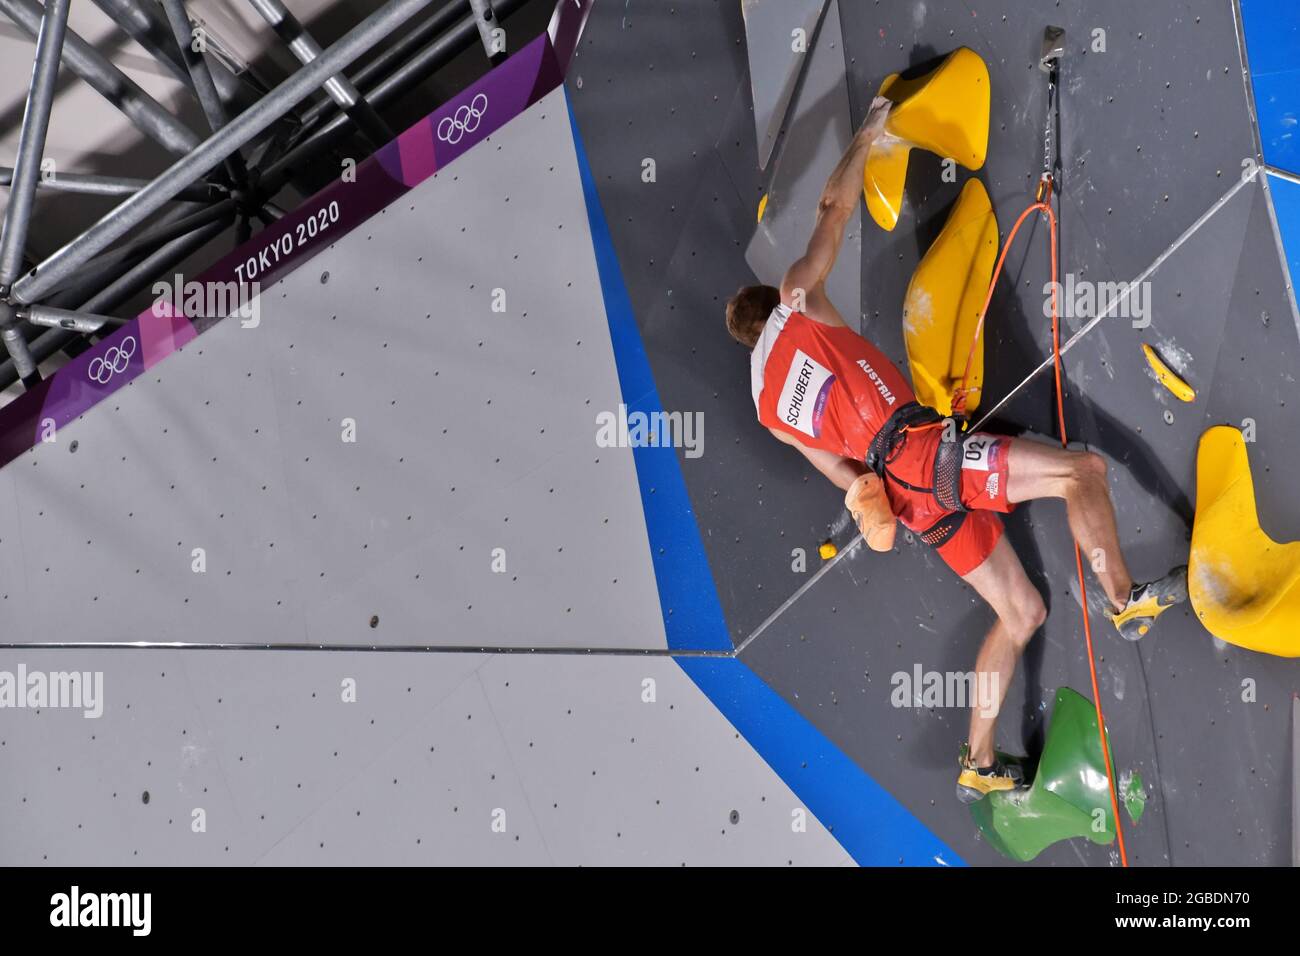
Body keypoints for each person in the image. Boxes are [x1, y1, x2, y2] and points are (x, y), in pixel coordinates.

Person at [728, 97, 1186, 803]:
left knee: (1022, 612)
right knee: (1081, 473)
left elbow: (844, 479)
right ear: (776, 300)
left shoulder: (767, 410)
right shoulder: (794, 300)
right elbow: (832, 210)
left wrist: (881, 507)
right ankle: (1124, 599)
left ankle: (977, 759)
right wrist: (869, 131)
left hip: (909, 502)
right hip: (919, 455)